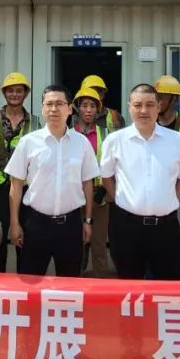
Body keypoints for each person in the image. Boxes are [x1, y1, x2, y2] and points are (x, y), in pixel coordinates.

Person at [99, 83, 180, 280]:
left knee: (166, 286)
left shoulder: (176, 139)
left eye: (150, 105)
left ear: (158, 107)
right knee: (129, 285)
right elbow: (106, 176)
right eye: (138, 105)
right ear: (129, 107)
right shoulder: (115, 140)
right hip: (126, 227)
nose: (143, 110)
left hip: (165, 227)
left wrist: (171, 198)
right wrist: (119, 198)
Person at [5, 85, 99, 277]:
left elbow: (88, 183)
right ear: (42, 108)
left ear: (70, 109)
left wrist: (88, 221)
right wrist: (14, 223)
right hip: (36, 224)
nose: (54, 109)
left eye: (59, 104)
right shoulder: (28, 142)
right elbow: (16, 185)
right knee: (31, 280)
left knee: (70, 282)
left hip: (70, 225)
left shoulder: (81, 143)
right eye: (49, 104)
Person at [0, 71, 40, 273]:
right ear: (4, 93)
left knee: (26, 238)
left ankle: (24, 280)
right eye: (10, 91)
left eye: (19, 91)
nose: (14, 94)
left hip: (25, 187)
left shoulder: (35, 123)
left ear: (26, 94)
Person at [72, 86, 113, 276]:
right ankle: (75, 285)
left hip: (99, 198)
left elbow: (112, 165)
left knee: (99, 246)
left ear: (98, 109)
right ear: (77, 108)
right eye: (85, 105)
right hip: (74, 197)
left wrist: (106, 191)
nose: (88, 110)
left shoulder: (106, 134)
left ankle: (101, 285)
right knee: (75, 247)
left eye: (93, 106)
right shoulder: (68, 133)